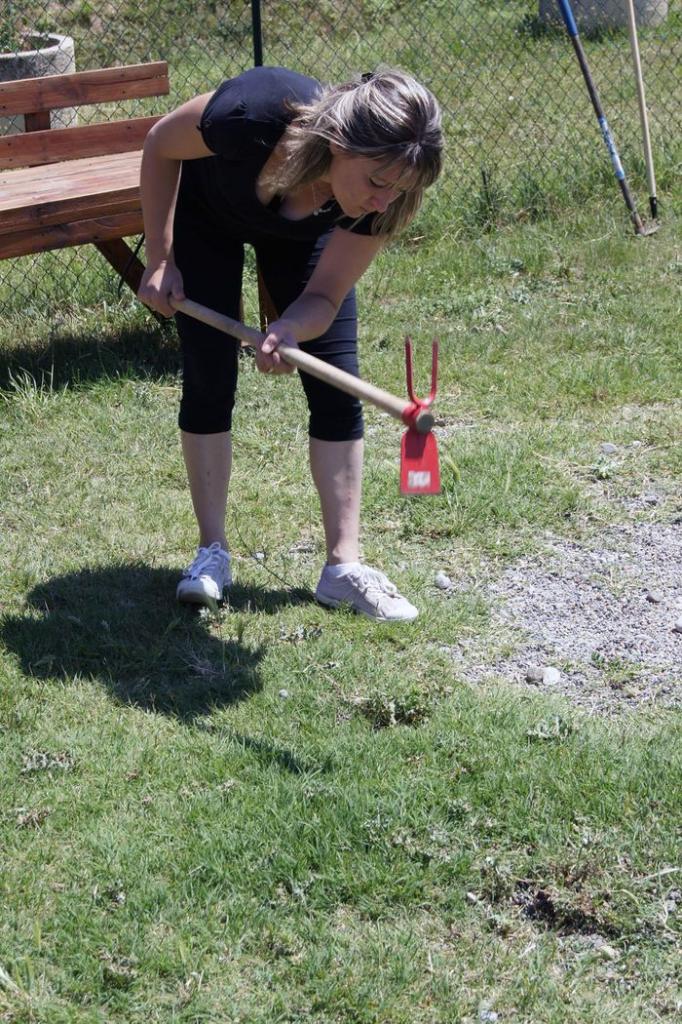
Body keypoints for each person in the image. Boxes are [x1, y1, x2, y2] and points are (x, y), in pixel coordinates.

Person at [138, 64, 443, 622]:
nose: (384, 201)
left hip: (302, 235)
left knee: (337, 384)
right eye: (378, 182)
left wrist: (291, 329)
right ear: (341, 144)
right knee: (209, 376)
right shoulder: (250, 116)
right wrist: (160, 258)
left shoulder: (383, 199)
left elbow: (323, 296)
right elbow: (161, 143)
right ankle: (211, 552)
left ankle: (342, 568)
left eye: (398, 190)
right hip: (208, 214)